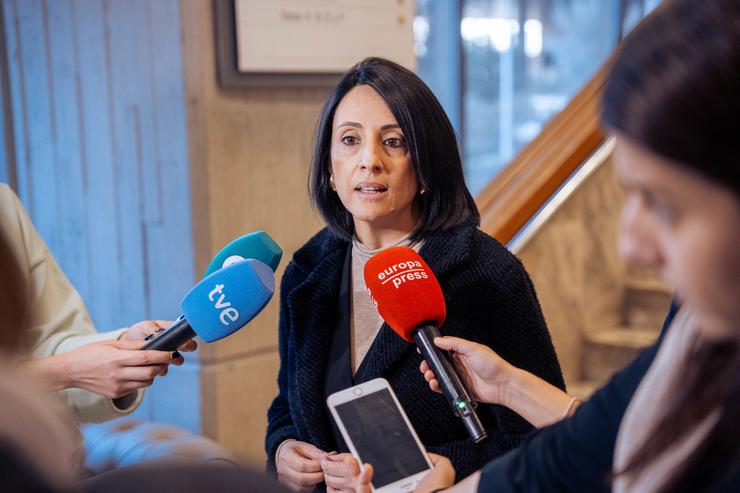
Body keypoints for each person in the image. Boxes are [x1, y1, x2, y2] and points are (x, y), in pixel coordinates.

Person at [356, 0, 740, 491]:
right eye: (348, 141)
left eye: (664, 204)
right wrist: (506, 386)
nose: (631, 243)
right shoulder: (699, 333)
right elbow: (579, 448)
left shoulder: (488, 268)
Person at [265, 57, 565, 492]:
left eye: (395, 142)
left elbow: (541, 437)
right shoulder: (308, 271)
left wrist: (448, 466)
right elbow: (286, 404)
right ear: (329, 166)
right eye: (350, 140)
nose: (369, 160)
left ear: (425, 164)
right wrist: (283, 449)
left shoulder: (486, 273)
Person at [0, 183, 195, 423]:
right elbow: (63, 366)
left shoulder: (3, 205)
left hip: (46, 448)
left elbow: (50, 338)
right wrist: (64, 371)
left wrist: (124, 343)